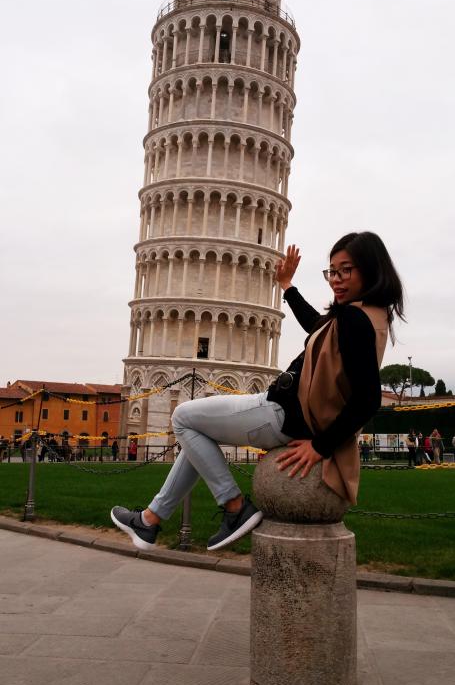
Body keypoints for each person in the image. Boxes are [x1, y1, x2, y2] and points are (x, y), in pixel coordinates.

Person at [111, 231, 404, 552]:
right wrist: (287, 286)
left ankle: (234, 507)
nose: (336, 279)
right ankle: (150, 521)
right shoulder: (368, 314)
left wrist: (320, 447)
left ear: (370, 269)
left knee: (182, 418)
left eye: (346, 270)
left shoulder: (354, 318)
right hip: (288, 413)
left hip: (281, 414)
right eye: (332, 271)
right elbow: (316, 325)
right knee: (196, 435)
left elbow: (367, 398)